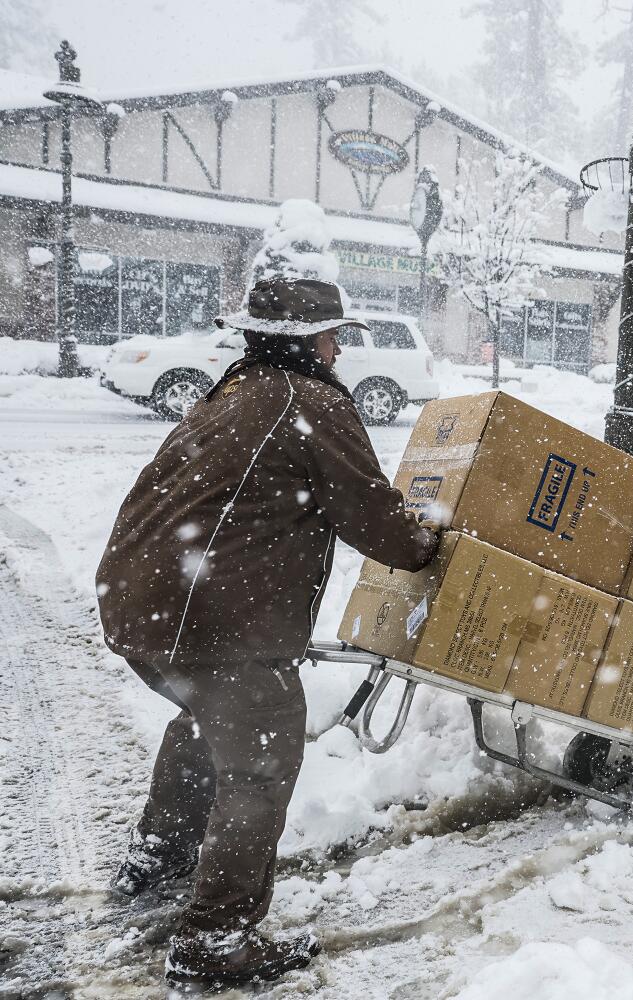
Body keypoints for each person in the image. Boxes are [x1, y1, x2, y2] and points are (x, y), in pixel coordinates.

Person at [95, 277, 440, 990]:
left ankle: (160, 854)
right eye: (333, 334)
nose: (340, 346)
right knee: (258, 761)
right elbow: (375, 521)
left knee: (206, 720)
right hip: (210, 618)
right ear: (306, 341)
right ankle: (214, 942)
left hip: (141, 604)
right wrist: (430, 542)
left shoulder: (233, 392)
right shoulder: (307, 400)